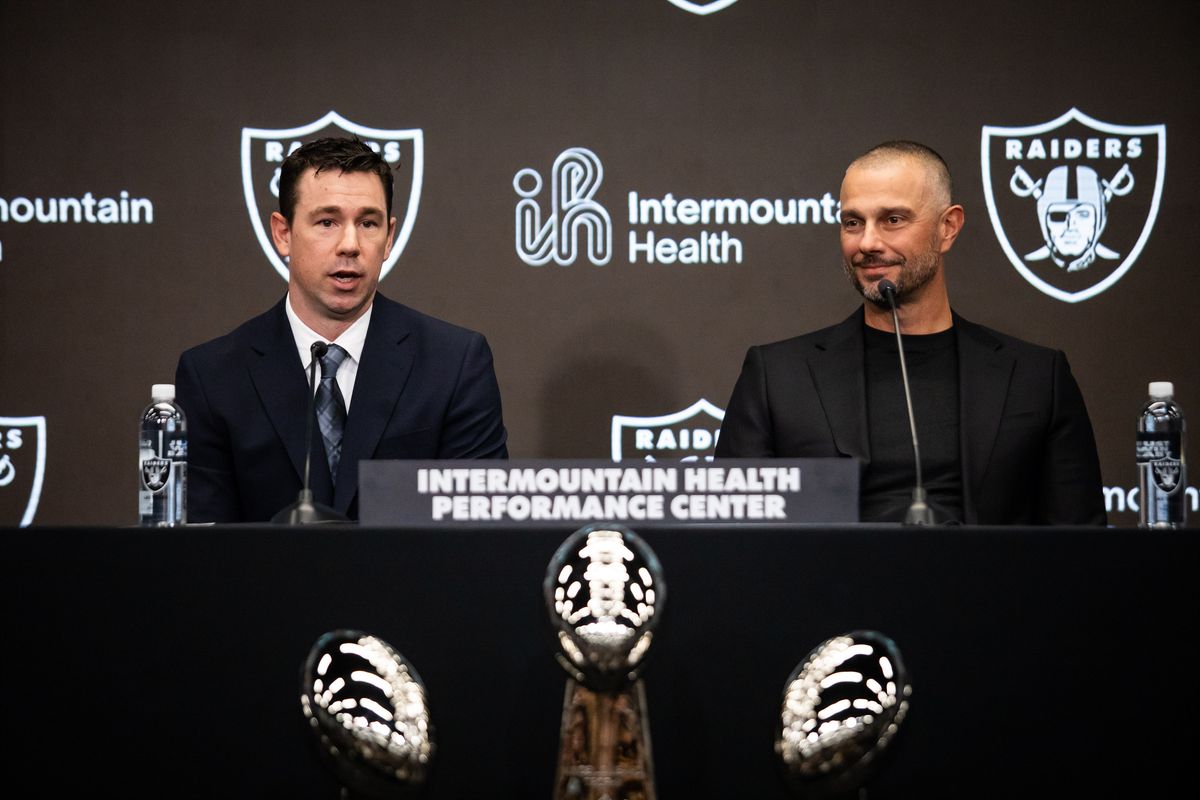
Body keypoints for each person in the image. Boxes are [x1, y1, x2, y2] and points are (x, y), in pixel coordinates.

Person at [714, 141, 1105, 525]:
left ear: (948, 227)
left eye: (893, 220)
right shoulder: (778, 377)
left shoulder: (1036, 378)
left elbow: (1081, 546)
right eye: (853, 222)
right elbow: (732, 540)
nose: (867, 242)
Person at [175, 137, 508, 522]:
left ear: (389, 238)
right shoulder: (213, 376)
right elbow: (205, 545)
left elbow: (479, 534)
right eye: (327, 222)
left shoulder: (454, 364)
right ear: (283, 233)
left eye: (368, 223)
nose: (350, 244)